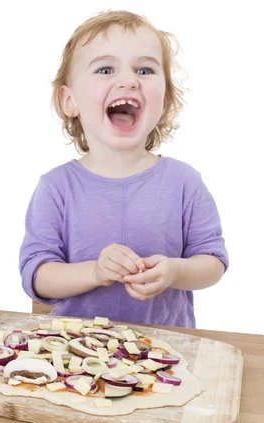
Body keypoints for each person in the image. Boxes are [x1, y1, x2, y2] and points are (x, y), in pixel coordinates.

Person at [19, 10, 228, 328]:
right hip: (74, 354)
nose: (129, 80)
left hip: (166, 354)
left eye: (144, 69)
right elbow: (37, 277)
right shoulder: (56, 187)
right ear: (69, 100)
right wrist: (94, 272)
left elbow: (213, 263)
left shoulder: (185, 182)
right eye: (105, 69)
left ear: (166, 100)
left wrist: (175, 271)